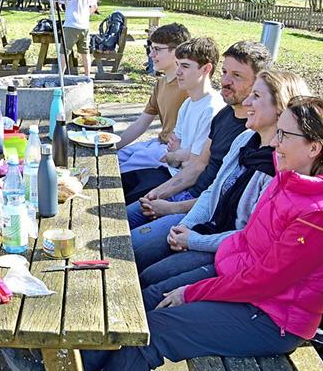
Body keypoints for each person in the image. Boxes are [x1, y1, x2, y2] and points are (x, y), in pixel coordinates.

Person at [3, 96, 323, 371]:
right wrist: (205, 273)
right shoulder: (293, 178)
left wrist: (193, 289)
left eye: (285, 135)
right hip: (246, 288)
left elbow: (265, 281)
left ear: (314, 148)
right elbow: (248, 242)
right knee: (152, 297)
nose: (275, 143)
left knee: (157, 330)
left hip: (273, 319)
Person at [134, 71, 311, 290]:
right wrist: (185, 227)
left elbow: (251, 236)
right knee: (135, 253)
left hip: (232, 250)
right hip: (208, 227)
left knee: (151, 280)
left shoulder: (281, 165)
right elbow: (213, 191)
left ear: (280, 108)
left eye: (256, 96)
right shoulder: (245, 140)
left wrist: (192, 240)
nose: (247, 102)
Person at [131, 41, 271, 223]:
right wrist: (158, 193)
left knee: (134, 244)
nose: (225, 81)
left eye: (237, 76)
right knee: (121, 215)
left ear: (258, 82)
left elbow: (224, 195)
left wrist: (171, 209)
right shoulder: (224, 115)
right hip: (188, 194)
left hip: (204, 214)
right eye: (224, 72)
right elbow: (198, 165)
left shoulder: (255, 132)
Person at [122, 37, 226, 205]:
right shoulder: (188, 103)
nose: (178, 72)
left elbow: (193, 164)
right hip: (166, 171)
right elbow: (172, 153)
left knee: (121, 205)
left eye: (185, 66)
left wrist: (178, 154)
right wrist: (179, 154)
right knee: (115, 183)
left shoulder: (212, 109)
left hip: (178, 185)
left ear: (206, 69)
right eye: (178, 65)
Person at [116, 23, 190, 173]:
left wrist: (176, 156)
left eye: (157, 49)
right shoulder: (161, 83)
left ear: (176, 52)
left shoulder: (188, 88)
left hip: (171, 153)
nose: (151, 55)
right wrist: (111, 146)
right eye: (151, 49)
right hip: (157, 143)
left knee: (117, 171)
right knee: (113, 157)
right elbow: (141, 124)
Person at [57, 0, 98, 77]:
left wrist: (62, 8)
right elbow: (94, 7)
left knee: (64, 52)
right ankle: (87, 76)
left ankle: (60, 75)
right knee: (85, 52)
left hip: (70, 25)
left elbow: (59, 4)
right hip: (84, 25)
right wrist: (85, 14)